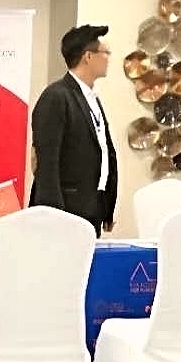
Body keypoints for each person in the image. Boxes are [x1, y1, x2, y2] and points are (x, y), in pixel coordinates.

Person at [29, 24, 119, 235]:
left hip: (92, 207)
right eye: (105, 53)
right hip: (65, 211)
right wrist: (53, 216)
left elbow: (103, 151)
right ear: (88, 56)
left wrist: (107, 207)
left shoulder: (91, 98)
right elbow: (47, 163)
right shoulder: (57, 96)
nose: (108, 58)